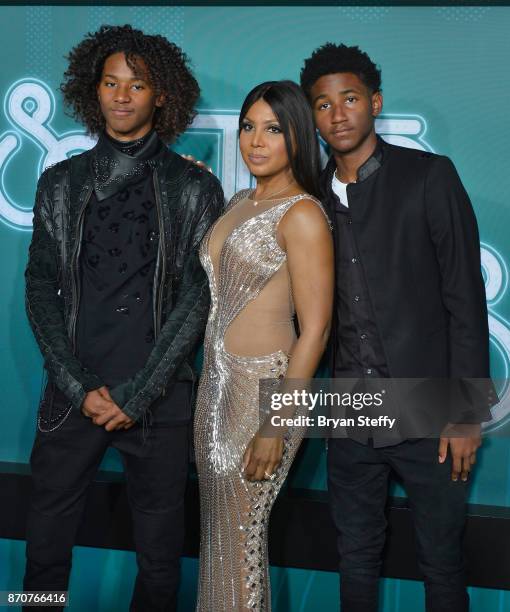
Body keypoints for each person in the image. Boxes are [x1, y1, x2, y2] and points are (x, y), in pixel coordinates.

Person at [23, 24, 223, 611]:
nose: (122, 95)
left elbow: (197, 297)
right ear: (95, 91)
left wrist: (138, 394)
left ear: (161, 95)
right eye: (111, 83)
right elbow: (39, 287)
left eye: (136, 84)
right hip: (72, 397)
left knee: (160, 563)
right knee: (43, 554)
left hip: (158, 401)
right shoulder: (60, 183)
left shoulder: (194, 187)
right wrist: (77, 385)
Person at [300, 43, 494, 612]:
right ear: (311, 115)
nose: (337, 114)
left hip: (431, 411)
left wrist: (465, 414)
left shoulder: (429, 177)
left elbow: (465, 299)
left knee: (441, 564)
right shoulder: (305, 201)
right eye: (323, 104)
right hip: (346, 413)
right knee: (354, 561)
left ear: (375, 103)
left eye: (350, 98)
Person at [193, 80, 334, 611]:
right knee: (218, 544)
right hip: (215, 392)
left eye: (272, 129)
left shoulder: (303, 215)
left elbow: (315, 330)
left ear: (296, 136)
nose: (256, 140)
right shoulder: (237, 201)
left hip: (265, 397)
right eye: (248, 127)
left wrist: (276, 423)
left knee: (241, 545)